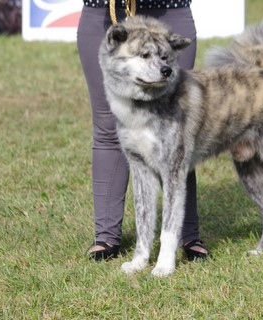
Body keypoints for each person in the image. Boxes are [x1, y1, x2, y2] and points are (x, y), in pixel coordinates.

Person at [77, 0, 210, 261]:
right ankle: (106, 236)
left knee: (175, 132)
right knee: (107, 126)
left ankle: (187, 234)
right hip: (102, 13)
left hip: (169, 10)